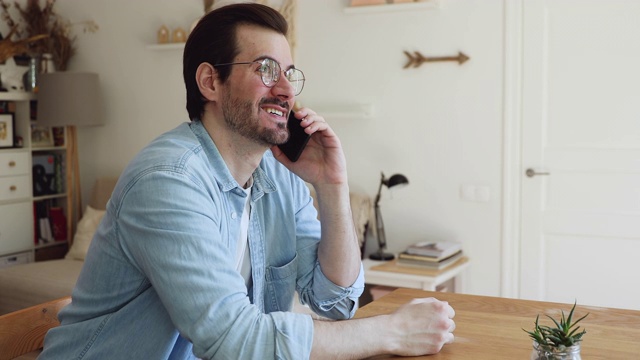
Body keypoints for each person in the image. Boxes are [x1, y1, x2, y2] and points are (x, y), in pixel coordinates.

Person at [39, 3, 455, 359]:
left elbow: (335, 302)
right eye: (266, 69)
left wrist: (332, 186)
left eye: (289, 73)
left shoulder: (278, 175)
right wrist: (393, 331)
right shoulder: (168, 182)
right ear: (210, 82)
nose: (286, 90)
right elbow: (234, 340)